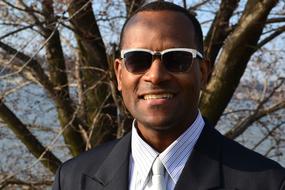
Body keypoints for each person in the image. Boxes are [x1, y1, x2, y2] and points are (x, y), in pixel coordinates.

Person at [52, 2, 285, 190]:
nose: (155, 76)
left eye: (176, 59)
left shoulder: (268, 182)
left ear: (203, 72)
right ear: (119, 73)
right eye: (138, 60)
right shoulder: (73, 179)